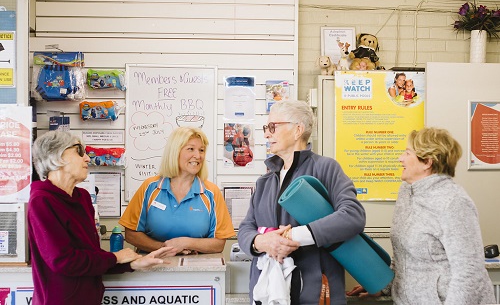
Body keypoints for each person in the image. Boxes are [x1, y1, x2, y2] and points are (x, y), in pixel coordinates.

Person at [347, 127, 496, 304]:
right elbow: (403, 257)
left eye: (407, 153)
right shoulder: (407, 192)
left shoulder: (454, 202)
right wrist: (383, 286)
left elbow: (470, 273)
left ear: (427, 162)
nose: (400, 158)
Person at [238, 100, 366, 304]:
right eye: (266, 128)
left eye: (273, 127)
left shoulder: (326, 168)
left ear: (298, 129)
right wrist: (262, 242)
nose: (266, 134)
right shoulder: (265, 180)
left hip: (315, 294)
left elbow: (353, 216)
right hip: (270, 294)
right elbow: (245, 228)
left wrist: (293, 237)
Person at [28, 131, 175, 305]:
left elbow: (92, 257)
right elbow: (63, 261)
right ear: (56, 156)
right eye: (78, 151)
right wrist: (116, 257)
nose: (87, 159)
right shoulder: (42, 201)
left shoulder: (81, 197)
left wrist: (133, 264)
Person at [120, 126, 235, 254]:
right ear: (175, 152)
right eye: (191, 149)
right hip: (151, 267)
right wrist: (166, 249)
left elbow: (219, 243)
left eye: (201, 150)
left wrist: (186, 243)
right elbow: (131, 233)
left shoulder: (211, 193)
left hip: (198, 270)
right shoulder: (150, 187)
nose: (198, 156)